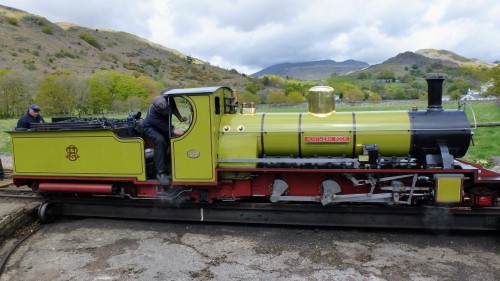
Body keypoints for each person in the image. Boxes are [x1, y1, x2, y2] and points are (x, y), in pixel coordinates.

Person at [143, 95, 187, 186]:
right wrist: (185, 134)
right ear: (156, 109)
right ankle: (161, 173)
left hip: (164, 125)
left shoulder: (168, 99)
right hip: (151, 127)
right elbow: (174, 131)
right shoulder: (152, 117)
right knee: (160, 141)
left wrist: (179, 117)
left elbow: (173, 108)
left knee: (168, 142)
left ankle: (169, 167)